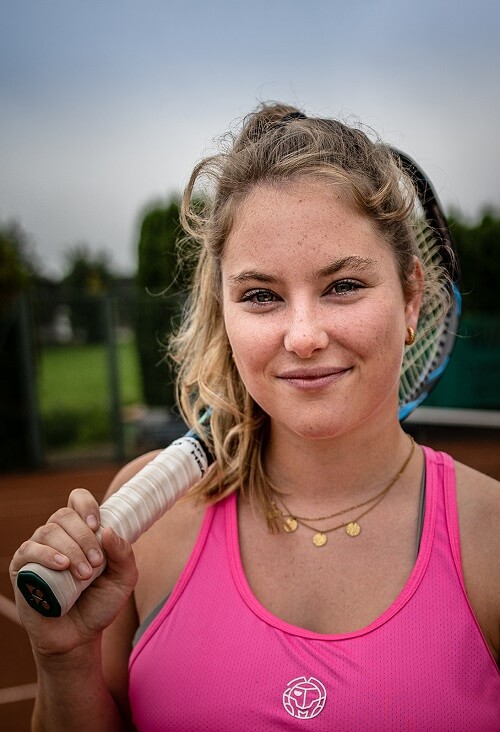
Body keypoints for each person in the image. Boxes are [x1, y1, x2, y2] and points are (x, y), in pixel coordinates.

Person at [11, 103, 500, 731]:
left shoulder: (490, 538)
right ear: (224, 312)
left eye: (343, 286)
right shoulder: (147, 521)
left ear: (411, 298)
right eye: (261, 295)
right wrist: (64, 662)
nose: (303, 336)